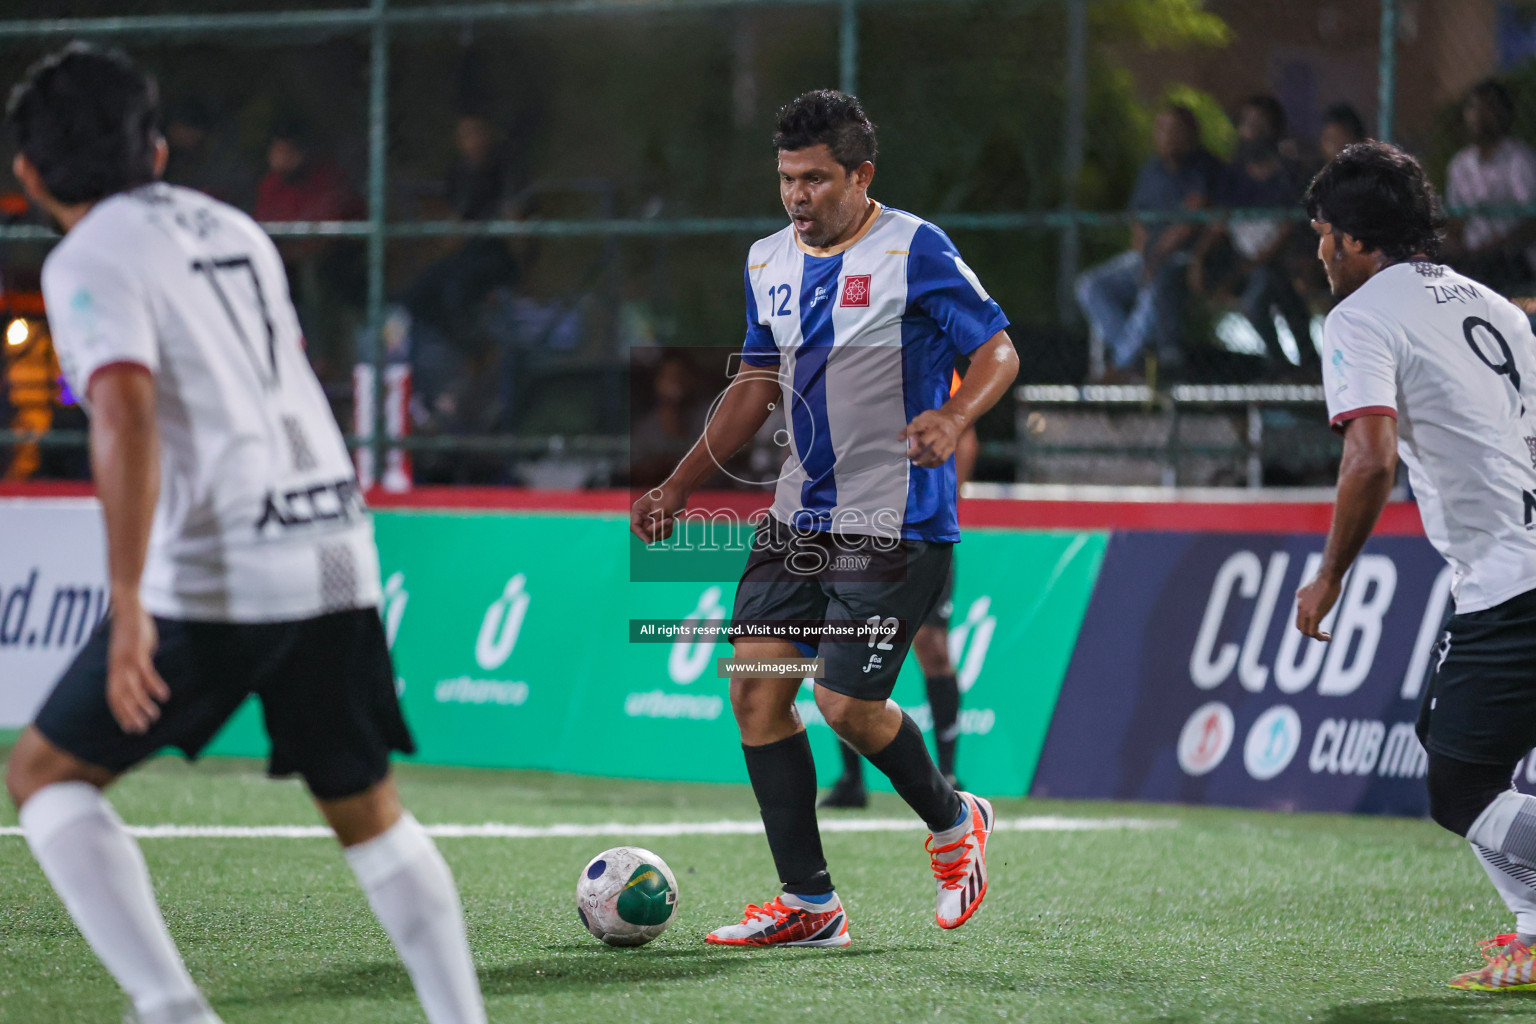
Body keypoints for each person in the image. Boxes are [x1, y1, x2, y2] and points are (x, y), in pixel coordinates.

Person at [3, 45, 486, 1024]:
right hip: (336, 543)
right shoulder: (231, 224)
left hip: (223, 565)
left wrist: (128, 599)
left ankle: (172, 1007)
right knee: (366, 808)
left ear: (29, 175)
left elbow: (124, 410)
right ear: (158, 147)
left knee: (45, 774)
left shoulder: (86, 255)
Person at [631, 89, 1018, 946]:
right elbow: (753, 387)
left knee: (845, 705)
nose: (797, 197)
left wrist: (954, 419)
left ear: (860, 174)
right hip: (798, 514)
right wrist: (681, 482)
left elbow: (997, 349)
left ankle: (955, 821)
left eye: (814, 179)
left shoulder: (915, 248)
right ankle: (810, 906)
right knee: (756, 696)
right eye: (785, 180)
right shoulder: (767, 259)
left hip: (897, 518)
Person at [1294, 140, 1536, 992]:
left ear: (1356, 240)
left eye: (1323, 232)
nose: (1318, 249)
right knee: (1455, 739)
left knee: (1459, 789)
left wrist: (1329, 574)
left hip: (1515, 579)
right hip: (1511, 566)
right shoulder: (1497, 307)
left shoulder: (1362, 317)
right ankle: (1535, 930)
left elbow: (1369, 460)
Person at [821, 370, 976, 809]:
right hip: (856, 530)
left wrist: (946, 500)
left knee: (933, 646)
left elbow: (963, 434)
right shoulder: (838, 356)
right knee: (839, 652)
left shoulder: (933, 360)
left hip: (921, 530)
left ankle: (948, 772)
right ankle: (851, 780)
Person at [1075, 105, 1222, 381]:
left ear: (1191, 133)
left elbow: (1190, 221)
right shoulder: (1151, 170)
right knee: (1090, 286)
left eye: (1174, 129)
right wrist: (1145, 257)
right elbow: (1138, 222)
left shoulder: (1204, 167)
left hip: (1184, 261)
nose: (1167, 136)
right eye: (1162, 128)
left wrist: (1154, 260)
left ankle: (1122, 365)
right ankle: (1133, 362)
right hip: (1147, 258)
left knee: (1155, 287)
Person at [1192, 95, 1315, 373]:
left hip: (1280, 260)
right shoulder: (1233, 174)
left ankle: (1294, 364)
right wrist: (1198, 258)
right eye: (1248, 123)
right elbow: (1220, 222)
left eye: (1262, 123)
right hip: (1241, 259)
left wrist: (1258, 261)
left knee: (1264, 295)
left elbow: (1289, 226)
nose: (1253, 130)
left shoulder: (1289, 171)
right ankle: (1288, 365)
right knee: (1268, 291)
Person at [1445, 79, 1536, 296]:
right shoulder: (1461, 164)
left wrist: (1490, 248)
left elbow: (1531, 223)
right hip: (1473, 256)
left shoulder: (1518, 159)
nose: (1481, 115)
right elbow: (1456, 221)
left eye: (1490, 107)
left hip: (1511, 256)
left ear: (1506, 114)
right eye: (1474, 107)